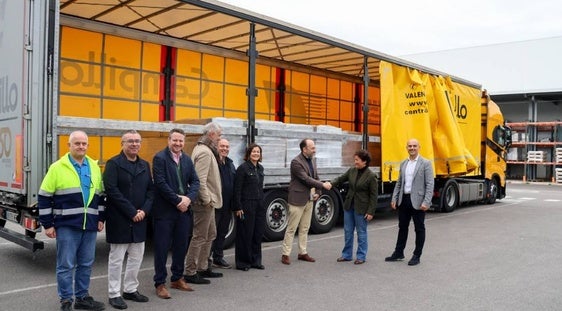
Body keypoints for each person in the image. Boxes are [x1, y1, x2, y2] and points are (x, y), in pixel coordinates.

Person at [38, 131, 105, 311]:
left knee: (86, 264)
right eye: (77, 143)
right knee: (65, 265)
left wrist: (100, 218)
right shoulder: (57, 167)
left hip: (89, 224)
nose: (81, 146)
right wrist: (48, 224)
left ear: (87, 146)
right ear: (69, 145)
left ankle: (82, 297)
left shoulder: (94, 166)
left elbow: (100, 195)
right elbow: (44, 196)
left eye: (84, 144)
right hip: (67, 225)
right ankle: (66, 300)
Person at [102, 130, 154, 309]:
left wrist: (144, 211)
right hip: (120, 218)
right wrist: (132, 211)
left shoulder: (145, 165)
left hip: (140, 219)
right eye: (130, 141)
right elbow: (112, 190)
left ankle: (131, 289)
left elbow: (150, 191)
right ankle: (114, 293)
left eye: (137, 141)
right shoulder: (113, 164)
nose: (134, 144)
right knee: (116, 258)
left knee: (136, 256)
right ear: (122, 143)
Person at [152, 128, 200, 299]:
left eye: (181, 141)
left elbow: (195, 181)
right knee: (162, 248)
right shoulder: (159, 158)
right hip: (165, 211)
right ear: (169, 140)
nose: (178, 143)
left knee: (181, 246)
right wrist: (177, 200)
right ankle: (160, 283)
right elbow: (160, 183)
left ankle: (177, 278)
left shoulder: (187, 160)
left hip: (183, 211)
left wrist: (188, 199)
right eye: (175, 140)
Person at [281, 138, 332, 265]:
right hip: (297, 200)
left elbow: (315, 176)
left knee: (305, 228)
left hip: (309, 199)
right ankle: (285, 254)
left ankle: (302, 252)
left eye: (314, 147)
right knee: (292, 228)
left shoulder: (312, 161)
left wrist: (318, 192)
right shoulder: (296, 162)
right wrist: (323, 185)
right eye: (312, 148)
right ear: (304, 149)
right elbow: (306, 179)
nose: (314, 150)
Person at [184, 122, 224, 284]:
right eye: (219, 135)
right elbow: (199, 180)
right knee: (200, 236)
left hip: (208, 202)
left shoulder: (203, 149)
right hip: (204, 203)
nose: (220, 139)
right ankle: (191, 271)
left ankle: (203, 267)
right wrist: (207, 199)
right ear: (212, 135)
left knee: (210, 234)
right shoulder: (205, 152)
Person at [385, 138, 434, 266]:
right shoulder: (403, 163)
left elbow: (429, 184)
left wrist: (426, 202)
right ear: (406, 148)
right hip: (404, 200)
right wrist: (394, 198)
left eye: (414, 146)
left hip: (418, 202)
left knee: (419, 229)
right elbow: (399, 182)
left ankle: (417, 255)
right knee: (402, 228)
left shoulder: (426, 163)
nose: (412, 148)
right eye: (410, 146)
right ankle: (398, 253)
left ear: (419, 147)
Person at [329, 150, 377, 265]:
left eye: (357, 160)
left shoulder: (371, 176)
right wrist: (331, 183)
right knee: (348, 231)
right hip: (349, 206)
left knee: (361, 232)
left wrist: (370, 212)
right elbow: (341, 179)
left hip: (362, 208)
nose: (355, 162)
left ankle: (361, 256)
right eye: (354, 160)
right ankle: (347, 255)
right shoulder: (352, 171)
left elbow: (374, 196)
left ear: (364, 161)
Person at [232, 143, 266, 271]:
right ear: (248, 154)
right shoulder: (243, 168)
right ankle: (243, 262)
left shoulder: (261, 168)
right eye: (253, 152)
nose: (256, 154)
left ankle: (256, 261)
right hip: (247, 205)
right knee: (245, 234)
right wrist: (238, 207)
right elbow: (237, 189)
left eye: (258, 152)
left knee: (257, 234)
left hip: (259, 205)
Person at [211, 138, 236, 269]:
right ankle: (206, 259)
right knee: (211, 233)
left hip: (227, 205)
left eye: (227, 147)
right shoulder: (213, 162)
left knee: (222, 232)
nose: (225, 149)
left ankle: (218, 258)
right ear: (217, 147)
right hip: (215, 204)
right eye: (222, 146)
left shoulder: (230, 163)